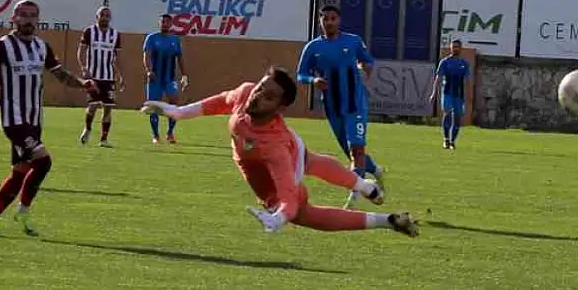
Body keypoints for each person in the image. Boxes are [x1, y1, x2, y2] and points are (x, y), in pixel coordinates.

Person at [140, 67, 419, 237]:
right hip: (287, 145)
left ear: (279, 110)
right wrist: (177, 112)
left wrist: (280, 217)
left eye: (269, 97)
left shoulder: (274, 149)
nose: (258, 97)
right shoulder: (246, 93)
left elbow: (287, 194)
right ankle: (366, 187)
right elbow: (218, 103)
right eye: (261, 88)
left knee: (303, 212)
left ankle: (385, 219)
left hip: (284, 152)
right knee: (311, 160)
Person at [0, 0, 94, 236]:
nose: (28, 20)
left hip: (34, 119)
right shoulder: (2, 46)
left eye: (32, 16)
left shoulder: (42, 47)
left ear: (38, 19)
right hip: (13, 120)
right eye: (23, 15)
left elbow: (61, 75)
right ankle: (23, 212)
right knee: (44, 161)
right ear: (13, 18)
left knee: (21, 171)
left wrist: (82, 84)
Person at [296, 5, 384, 206]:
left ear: (339, 20)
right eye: (325, 19)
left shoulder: (352, 41)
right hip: (333, 106)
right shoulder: (313, 47)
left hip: (355, 103)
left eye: (333, 18)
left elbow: (368, 60)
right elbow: (301, 74)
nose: (329, 22)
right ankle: (376, 170)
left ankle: (353, 199)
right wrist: (313, 81)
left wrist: (365, 68)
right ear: (320, 22)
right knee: (351, 151)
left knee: (356, 150)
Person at [78, 6, 124, 147]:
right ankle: (87, 128)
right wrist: (83, 67)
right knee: (92, 105)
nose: (105, 17)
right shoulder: (89, 32)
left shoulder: (115, 34)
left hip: (108, 77)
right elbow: (81, 51)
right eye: (102, 15)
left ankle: (103, 139)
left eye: (107, 15)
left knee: (108, 108)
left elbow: (117, 58)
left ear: (110, 18)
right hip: (93, 76)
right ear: (97, 16)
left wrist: (120, 75)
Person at [143, 13, 188, 144]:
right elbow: (146, 56)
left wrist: (184, 75)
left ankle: (170, 132)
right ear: (159, 24)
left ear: (171, 24)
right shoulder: (151, 38)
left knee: (174, 104)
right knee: (154, 106)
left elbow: (180, 58)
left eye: (167, 22)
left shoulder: (175, 40)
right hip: (155, 78)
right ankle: (156, 135)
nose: (165, 24)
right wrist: (149, 71)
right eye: (163, 22)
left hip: (170, 78)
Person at [430, 38, 471, 149]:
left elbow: (467, 81)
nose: (455, 49)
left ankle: (452, 141)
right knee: (447, 113)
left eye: (457, 47)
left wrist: (468, 96)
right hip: (447, 92)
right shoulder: (445, 62)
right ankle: (446, 140)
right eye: (453, 47)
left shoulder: (464, 63)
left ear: (460, 48)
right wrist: (434, 92)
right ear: (451, 48)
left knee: (457, 117)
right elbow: (438, 78)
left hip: (459, 95)